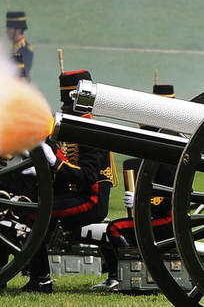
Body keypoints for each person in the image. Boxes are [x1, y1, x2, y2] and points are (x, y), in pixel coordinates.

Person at [22, 69, 114, 293]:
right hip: (71, 195)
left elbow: (87, 177)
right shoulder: (67, 127)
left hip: (90, 199)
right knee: (27, 207)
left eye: (67, 104)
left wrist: (55, 162)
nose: (63, 109)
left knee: (34, 214)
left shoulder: (93, 131)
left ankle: (41, 278)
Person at [93, 83, 177, 291]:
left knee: (115, 228)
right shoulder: (140, 161)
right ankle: (115, 274)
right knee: (109, 228)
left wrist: (140, 200)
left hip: (167, 220)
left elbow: (167, 197)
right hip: (152, 216)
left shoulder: (168, 160)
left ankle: (128, 273)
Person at [6, 11, 33, 80]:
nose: (7, 31)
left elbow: (21, 76)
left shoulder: (25, 49)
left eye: (9, 28)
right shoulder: (16, 47)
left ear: (18, 30)